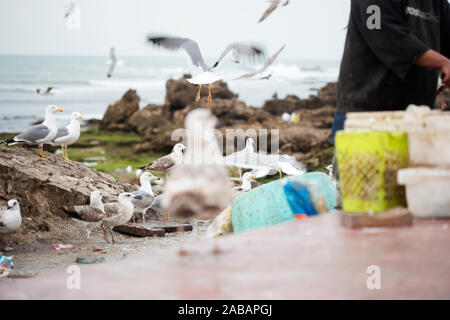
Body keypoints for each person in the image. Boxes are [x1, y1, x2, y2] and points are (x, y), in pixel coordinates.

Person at [331, 0, 450, 144]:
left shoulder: (437, 4)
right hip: (364, 117)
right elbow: (384, 37)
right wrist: (443, 63)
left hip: (415, 120)